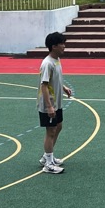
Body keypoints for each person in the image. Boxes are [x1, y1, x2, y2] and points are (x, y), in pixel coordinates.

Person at [38, 31, 74, 174]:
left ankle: (47, 156)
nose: (64, 46)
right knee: (51, 131)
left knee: (58, 126)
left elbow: (55, 79)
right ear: (54, 46)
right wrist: (49, 107)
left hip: (57, 102)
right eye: (61, 44)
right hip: (49, 104)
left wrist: (64, 88)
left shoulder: (56, 60)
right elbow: (44, 85)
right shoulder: (47, 63)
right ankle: (48, 164)